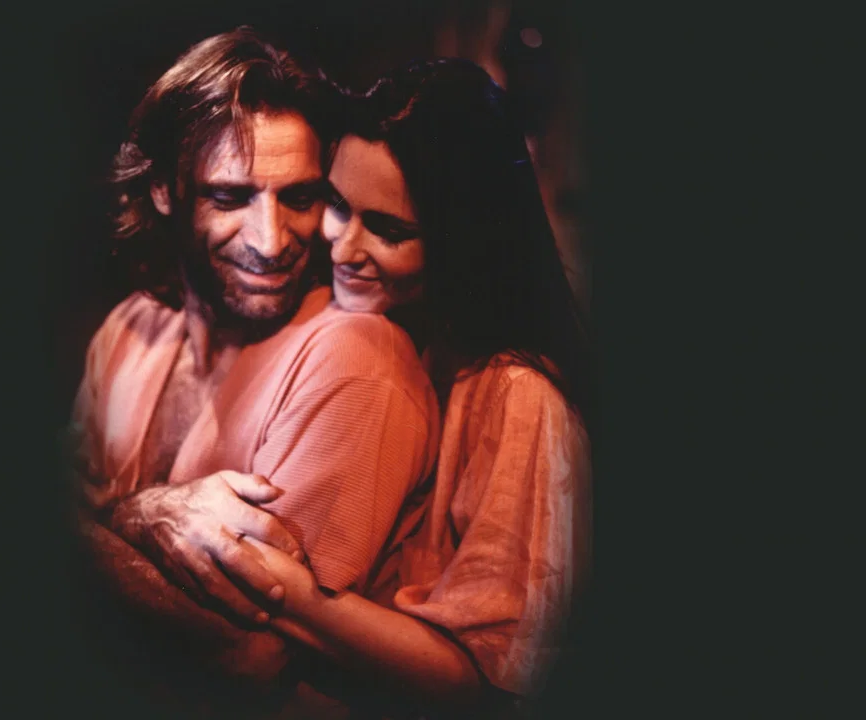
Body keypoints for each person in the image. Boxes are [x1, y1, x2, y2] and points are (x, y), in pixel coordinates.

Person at [203, 58, 593, 717]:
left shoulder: (519, 396)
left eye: (388, 230)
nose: (341, 246)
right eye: (336, 205)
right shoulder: (410, 335)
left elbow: (479, 679)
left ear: (465, 240)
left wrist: (288, 591)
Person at [68, 27, 441, 703]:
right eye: (230, 197)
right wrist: (139, 516)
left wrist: (99, 527)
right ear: (164, 190)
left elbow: (248, 652)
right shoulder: (131, 327)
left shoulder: (355, 356)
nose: (271, 243)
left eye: (300, 198)